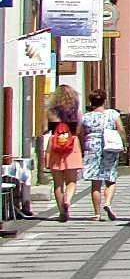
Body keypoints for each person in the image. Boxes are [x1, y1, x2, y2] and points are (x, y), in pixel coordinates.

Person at [80, 90, 124, 222]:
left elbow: (81, 134)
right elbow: (120, 129)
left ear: (91, 101)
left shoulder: (85, 117)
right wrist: (123, 144)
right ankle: (108, 202)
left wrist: (83, 148)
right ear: (104, 100)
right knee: (110, 179)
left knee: (96, 182)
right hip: (109, 146)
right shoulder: (113, 114)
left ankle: (97, 213)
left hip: (92, 147)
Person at [43, 85, 83, 223]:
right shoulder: (75, 112)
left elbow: (44, 129)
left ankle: (62, 212)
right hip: (72, 144)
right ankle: (68, 199)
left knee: (57, 183)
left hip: (55, 145)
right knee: (71, 181)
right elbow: (78, 130)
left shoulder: (51, 112)